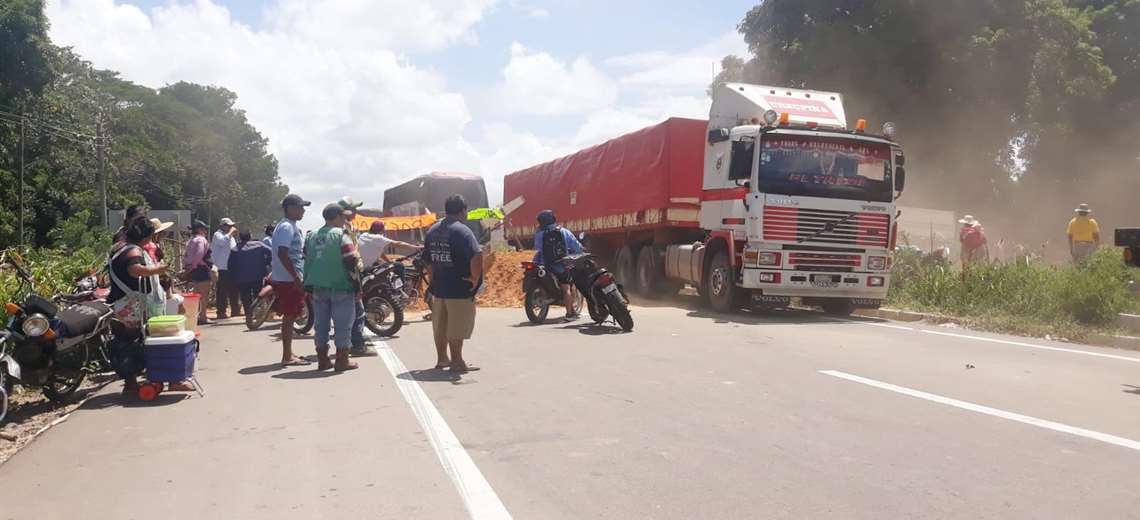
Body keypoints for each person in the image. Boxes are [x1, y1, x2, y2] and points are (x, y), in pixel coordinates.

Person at [106, 218, 192, 394]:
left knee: (129, 344)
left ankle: (131, 384)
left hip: (122, 305)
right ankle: (171, 379)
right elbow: (135, 270)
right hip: (133, 307)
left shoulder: (118, 247)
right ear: (146, 236)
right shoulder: (133, 251)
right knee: (156, 341)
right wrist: (158, 270)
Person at [423, 195, 484, 373]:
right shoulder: (462, 231)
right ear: (463, 210)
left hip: (440, 287)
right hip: (459, 287)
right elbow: (477, 255)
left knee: (440, 325)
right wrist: (474, 278)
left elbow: (427, 261)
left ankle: (442, 359)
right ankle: (457, 361)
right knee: (457, 325)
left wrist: (433, 280)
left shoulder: (433, 230)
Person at [305, 203, 362, 372]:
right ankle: (342, 361)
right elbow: (351, 260)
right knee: (343, 325)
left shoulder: (311, 236)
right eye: (343, 217)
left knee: (321, 325)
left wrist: (306, 286)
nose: (345, 220)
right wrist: (357, 285)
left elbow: (307, 260)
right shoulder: (341, 235)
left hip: (316, 287)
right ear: (337, 217)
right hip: (341, 286)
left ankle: (323, 360)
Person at [272, 194, 311, 366]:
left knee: (291, 316)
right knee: (289, 317)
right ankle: (287, 356)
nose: (303, 210)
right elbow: (283, 253)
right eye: (300, 207)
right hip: (289, 280)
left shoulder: (289, 226)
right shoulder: (287, 227)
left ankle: (289, 353)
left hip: (288, 278)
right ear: (290, 209)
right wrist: (296, 277)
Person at [336, 196, 375, 356]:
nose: (356, 212)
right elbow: (349, 256)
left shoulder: (349, 227)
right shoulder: (343, 229)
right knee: (357, 311)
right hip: (349, 272)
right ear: (346, 211)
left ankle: (351, 343)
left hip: (350, 271)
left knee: (352, 310)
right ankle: (357, 345)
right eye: (354, 209)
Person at [532, 209, 584, 321]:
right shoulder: (563, 231)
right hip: (559, 265)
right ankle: (570, 314)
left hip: (542, 264)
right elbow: (576, 246)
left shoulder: (539, 234)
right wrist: (581, 250)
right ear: (553, 219)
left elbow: (537, 248)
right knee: (566, 287)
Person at [229, 230, 273, 317]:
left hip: (241, 277)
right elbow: (272, 252)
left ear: (240, 238)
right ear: (250, 237)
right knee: (258, 295)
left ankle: (248, 314)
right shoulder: (259, 245)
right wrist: (267, 263)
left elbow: (230, 264)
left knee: (245, 297)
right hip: (258, 276)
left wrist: (233, 276)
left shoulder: (235, 248)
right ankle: (258, 313)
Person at [182, 220, 215, 325]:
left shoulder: (191, 241)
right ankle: (203, 317)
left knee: (197, 294)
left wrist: (189, 267)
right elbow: (199, 254)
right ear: (200, 229)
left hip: (195, 271)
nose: (206, 231)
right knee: (204, 295)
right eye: (204, 229)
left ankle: (197, 316)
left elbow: (186, 255)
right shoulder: (201, 240)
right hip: (201, 269)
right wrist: (194, 265)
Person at [211, 217, 242, 319]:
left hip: (231, 267)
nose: (230, 228)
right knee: (222, 291)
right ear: (222, 226)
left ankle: (235, 310)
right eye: (228, 226)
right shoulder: (217, 235)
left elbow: (234, 249)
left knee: (234, 289)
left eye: (231, 226)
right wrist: (230, 233)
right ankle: (221, 312)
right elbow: (223, 242)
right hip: (221, 267)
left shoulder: (231, 237)